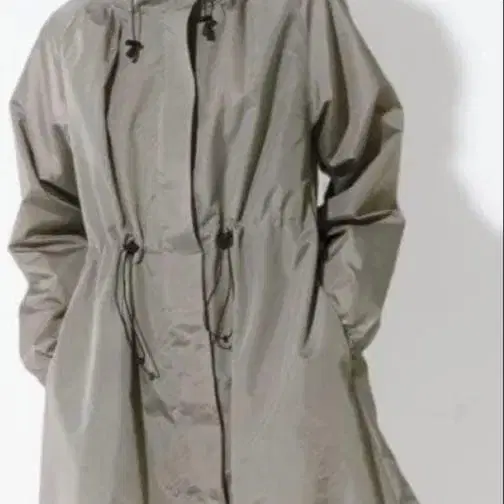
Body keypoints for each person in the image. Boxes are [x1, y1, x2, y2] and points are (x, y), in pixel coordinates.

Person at [7, 0, 420, 502]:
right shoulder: (70, 36)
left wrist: (330, 324)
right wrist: (64, 355)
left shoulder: (296, 13)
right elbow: (49, 219)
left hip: (278, 375)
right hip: (115, 398)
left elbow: (368, 171)